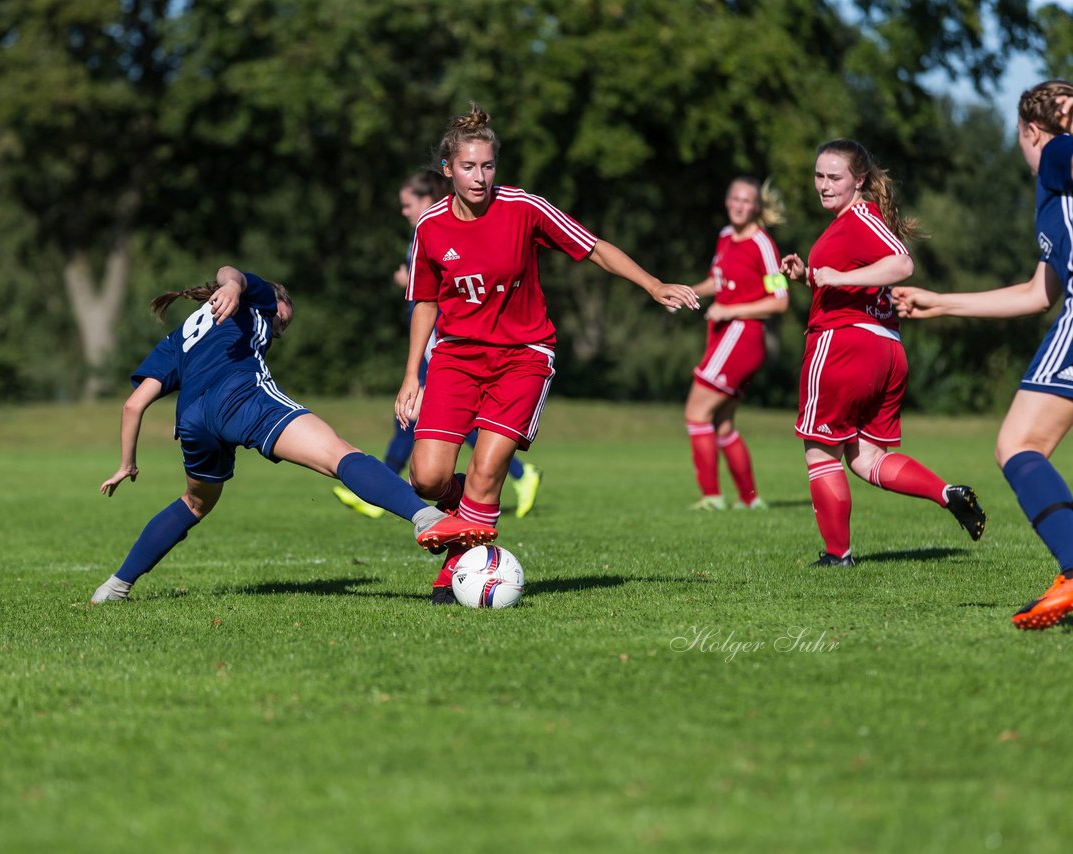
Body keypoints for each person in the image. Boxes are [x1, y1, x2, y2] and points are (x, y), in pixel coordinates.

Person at [397, 103, 700, 603]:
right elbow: (426, 301)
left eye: (488, 166)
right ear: (447, 170)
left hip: (523, 356)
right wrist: (413, 374)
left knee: (488, 471)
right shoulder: (429, 226)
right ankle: (464, 516)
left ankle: (456, 571)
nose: (480, 177)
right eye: (468, 167)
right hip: (454, 358)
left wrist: (652, 284)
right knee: (426, 478)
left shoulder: (524, 208)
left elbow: (595, 246)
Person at [89, 266, 497, 603]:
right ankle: (426, 517)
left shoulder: (180, 337)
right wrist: (233, 285)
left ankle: (115, 587)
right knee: (338, 453)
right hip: (241, 396)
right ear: (272, 302)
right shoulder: (256, 298)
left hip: (193, 419)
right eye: (280, 320)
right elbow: (234, 274)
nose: (278, 330)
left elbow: (133, 405)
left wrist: (127, 463)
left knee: (195, 503)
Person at [894, 80, 1073, 629]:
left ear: (1029, 130)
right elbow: (1037, 292)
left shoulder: (1053, 156)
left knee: (1019, 444)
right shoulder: (1055, 198)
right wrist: (942, 302)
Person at [779, 138, 986, 567]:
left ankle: (838, 556)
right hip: (883, 350)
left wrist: (834, 278)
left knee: (820, 451)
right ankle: (947, 494)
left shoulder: (860, 216)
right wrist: (809, 276)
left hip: (844, 346)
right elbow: (850, 278)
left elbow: (901, 264)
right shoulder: (847, 223)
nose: (823, 184)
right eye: (818, 175)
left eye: (834, 177)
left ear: (859, 180)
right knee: (867, 457)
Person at [333, 171, 544, 520]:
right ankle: (386, 489)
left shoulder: (435, 229)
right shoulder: (426, 231)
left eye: (407, 204)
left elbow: (449, 290)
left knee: (420, 416)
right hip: (436, 343)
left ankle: (381, 490)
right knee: (422, 419)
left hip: (447, 346)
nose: (403, 211)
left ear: (426, 198)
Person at [684, 177, 789, 511]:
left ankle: (711, 497)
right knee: (723, 424)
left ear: (756, 207)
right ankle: (751, 500)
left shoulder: (763, 243)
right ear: (727, 201)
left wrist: (731, 309)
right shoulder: (725, 238)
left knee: (695, 412)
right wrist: (686, 292)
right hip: (724, 335)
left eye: (747, 201)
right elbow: (717, 281)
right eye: (735, 199)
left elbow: (780, 300)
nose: (740, 206)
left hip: (742, 336)